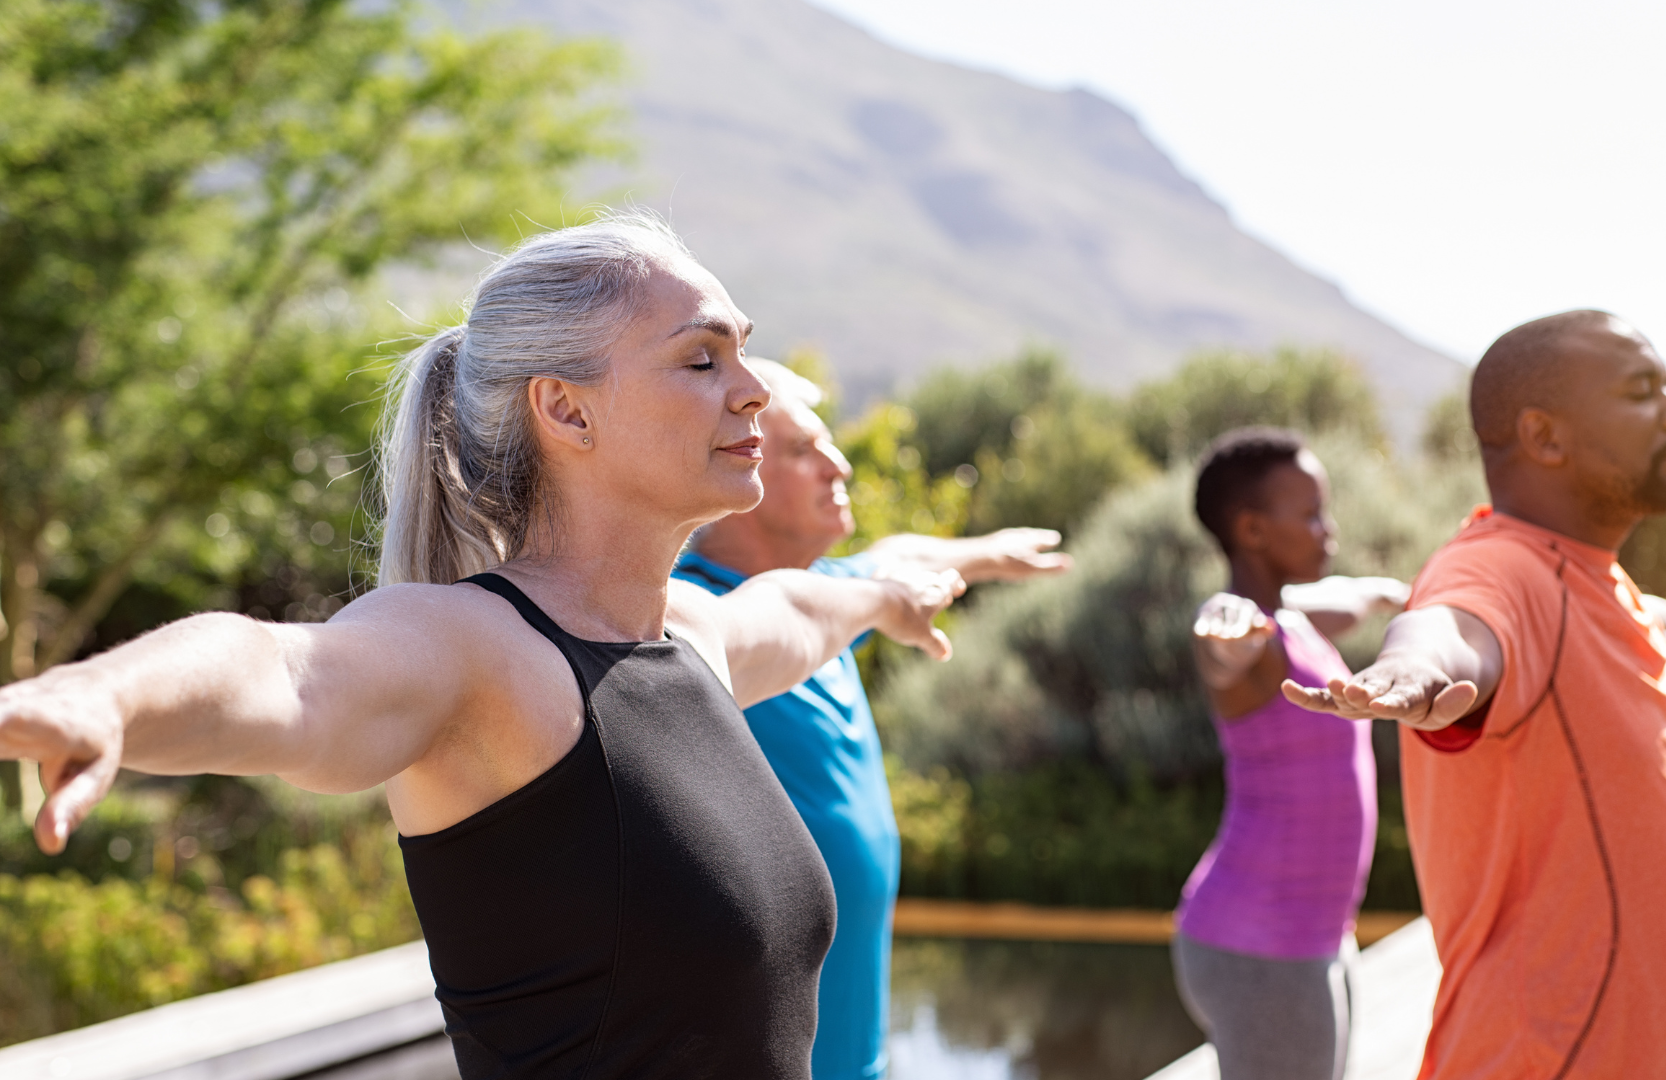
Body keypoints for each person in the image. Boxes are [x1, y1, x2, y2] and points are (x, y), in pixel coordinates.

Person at [0, 213, 967, 1079]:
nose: (755, 392)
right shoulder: (480, 651)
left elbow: (802, 610)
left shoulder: (692, 636)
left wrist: (888, 593)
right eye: (703, 360)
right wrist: (105, 695)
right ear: (567, 409)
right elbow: (285, 670)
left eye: (742, 354)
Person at [1284, 311, 1666, 1078]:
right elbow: (1450, 626)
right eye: (1643, 391)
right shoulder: (1498, 570)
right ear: (1545, 437)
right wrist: (1411, 671)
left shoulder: (1602, 588)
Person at [674, 358, 1070, 1080]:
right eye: (804, 450)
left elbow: (898, 555)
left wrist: (986, 555)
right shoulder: (691, 620)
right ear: (735, 472)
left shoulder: (832, 595)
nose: (840, 467)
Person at [1179, 426, 1409, 1080]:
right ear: (1251, 530)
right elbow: (1222, 639)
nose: (1327, 529)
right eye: (1309, 513)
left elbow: (1351, 597)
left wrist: (1398, 594)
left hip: (1315, 936)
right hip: (1260, 943)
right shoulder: (1247, 631)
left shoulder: (1296, 619)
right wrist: (1226, 636)